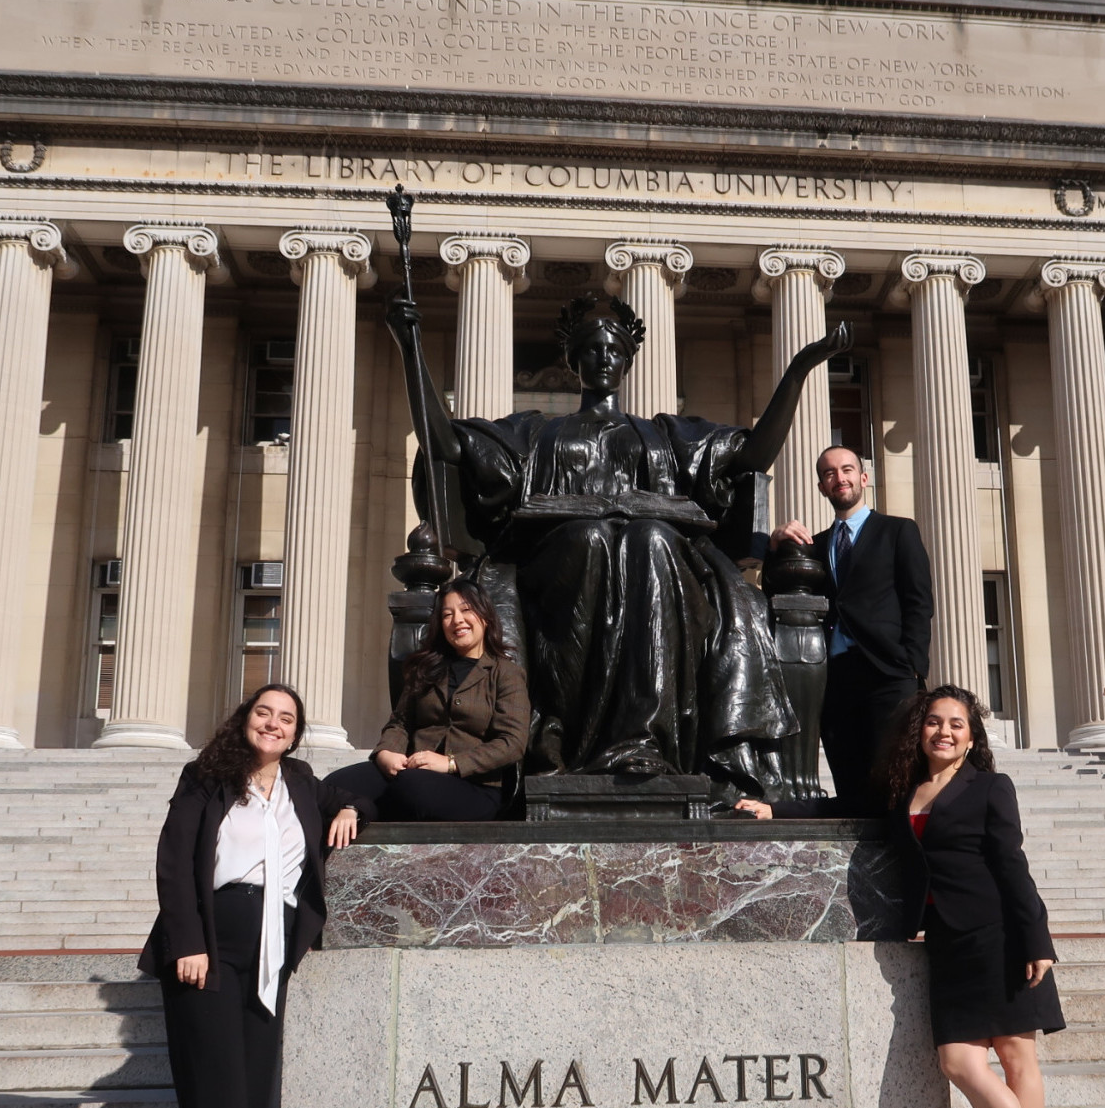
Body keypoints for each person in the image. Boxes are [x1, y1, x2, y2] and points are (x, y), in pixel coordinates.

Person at [388, 293, 850, 794]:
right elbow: (447, 444)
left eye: (614, 350)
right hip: (557, 566)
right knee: (590, 538)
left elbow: (754, 454)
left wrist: (800, 370)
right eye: (591, 349)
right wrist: (411, 348)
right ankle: (564, 738)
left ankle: (644, 740)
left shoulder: (666, 436)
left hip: (657, 565)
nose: (603, 358)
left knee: (649, 538)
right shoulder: (537, 433)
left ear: (628, 362)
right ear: (574, 361)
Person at [138, 685, 362, 1108]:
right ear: (245, 719)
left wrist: (350, 809)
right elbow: (175, 859)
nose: (274, 724)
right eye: (264, 712)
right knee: (215, 1091)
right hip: (209, 945)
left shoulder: (303, 783)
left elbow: (353, 792)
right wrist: (187, 942)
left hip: (272, 951)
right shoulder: (206, 775)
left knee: (249, 1092)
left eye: (286, 718)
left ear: (295, 732)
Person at [883, 684, 1083, 1108]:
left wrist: (1036, 940)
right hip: (948, 945)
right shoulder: (905, 792)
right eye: (934, 722)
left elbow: (1012, 865)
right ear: (920, 731)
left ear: (972, 738)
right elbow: (845, 813)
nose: (943, 731)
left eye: (957, 724)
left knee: (1018, 1061)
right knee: (960, 1061)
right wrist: (777, 808)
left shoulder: (991, 787)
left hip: (1000, 937)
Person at [766, 444, 933, 812]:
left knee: (895, 782)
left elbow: (919, 602)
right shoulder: (815, 546)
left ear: (863, 477)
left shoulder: (897, 531)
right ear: (822, 487)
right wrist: (775, 545)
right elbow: (779, 593)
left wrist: (913, 665)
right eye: (829, 473)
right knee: (850, 782)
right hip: (834, 678)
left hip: (887, 673)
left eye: (846, 470)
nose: (838, 478)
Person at [369, 580, 530, 822]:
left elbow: (512, 743)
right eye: (447, 614)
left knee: (409, 787)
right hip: (412, 772)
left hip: (475, 786)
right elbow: (400, 722)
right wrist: (386, 753)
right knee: (341, 783)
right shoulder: (425, 668)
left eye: (466, 610)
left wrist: (451, 763)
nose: (457, 621)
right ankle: (357, 808)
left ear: (485, 617)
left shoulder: (506, 673)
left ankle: (365, 806)